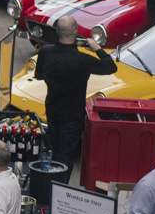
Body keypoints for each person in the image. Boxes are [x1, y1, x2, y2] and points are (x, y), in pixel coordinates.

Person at [33, 15, 118, 165]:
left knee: (53, 149)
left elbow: (39, 75)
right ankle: (61, 184)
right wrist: (97, 49)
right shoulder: (83, 60)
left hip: (52, 109)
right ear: (75, 32)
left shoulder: (45, 51)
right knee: (66, 156)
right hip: (72, 116)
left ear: (57, 30)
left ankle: (49, 180)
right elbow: (110, 67)